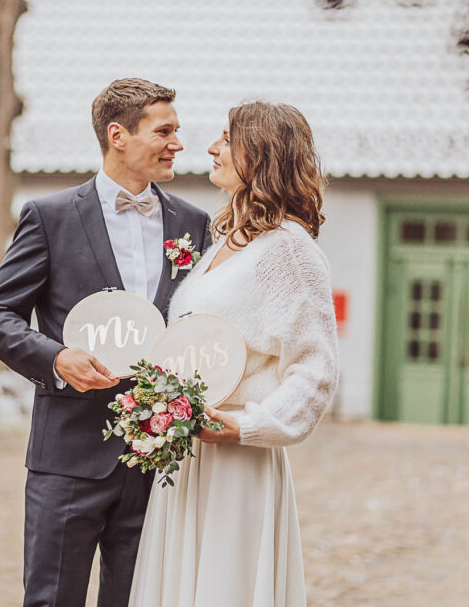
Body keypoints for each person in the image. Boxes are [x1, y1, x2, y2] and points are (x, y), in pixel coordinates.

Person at [0, 78, 212, 607]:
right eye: (164, 131)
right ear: (117, 135)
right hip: (68, 456)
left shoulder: (194, 226)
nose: (177, 143)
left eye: (178, 131)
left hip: (158, 462)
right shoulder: (50, 217)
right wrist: (55, 357)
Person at [129, 101, 339, 607]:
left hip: (237, 459)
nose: (211, 147)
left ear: (261, 153)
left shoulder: (289, 249)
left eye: (227, 138)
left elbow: (316, 370)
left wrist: (247, 426)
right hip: (191, 455)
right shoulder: (227, 240)